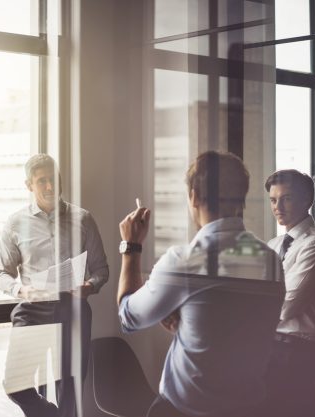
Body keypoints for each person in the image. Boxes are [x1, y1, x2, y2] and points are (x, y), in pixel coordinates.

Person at [117, 151, 285, 417]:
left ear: (194, 196)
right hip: (251, 408)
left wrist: (131, 247)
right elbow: (233, 325)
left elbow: (128, 316)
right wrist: (192, 320)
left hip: (185, 410)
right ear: (241, 198)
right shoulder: (272, 262)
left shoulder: (185, 261)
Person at [0, 154, 109, 417]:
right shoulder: (15, 223)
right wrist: (20, 290)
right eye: (42, 181)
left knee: (69, 389)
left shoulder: (83, 219)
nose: (49, 187)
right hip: (32, 309)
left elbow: (101, 269)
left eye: (53, 179)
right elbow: (2, 273)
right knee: (15, 384)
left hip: (73, 309)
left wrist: (89, 286)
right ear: (29, 185)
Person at [264, 169, 315, 416]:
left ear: (307, 200)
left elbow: (286, 307)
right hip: (272, 344)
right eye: (273, 200)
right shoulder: (273, 245)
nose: (278, 207)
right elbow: (249, 291)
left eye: (286, 198)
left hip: (299, 350)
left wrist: (253, 304)